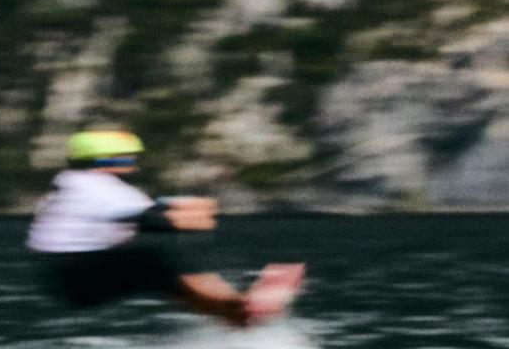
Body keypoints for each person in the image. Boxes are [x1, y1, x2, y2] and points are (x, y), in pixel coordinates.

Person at [26, 130, 303, 326]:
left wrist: (183, 207)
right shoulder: (99, 187)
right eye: (127, 159)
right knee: (155, 260)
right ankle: (236, 305)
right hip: (76, 271)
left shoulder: (72, 183)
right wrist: (194, 218)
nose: (133, 165)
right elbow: (154, 221)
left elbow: (148, 209)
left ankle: (234, 316)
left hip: (58, 276)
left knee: (159, 278)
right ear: (108, 161)